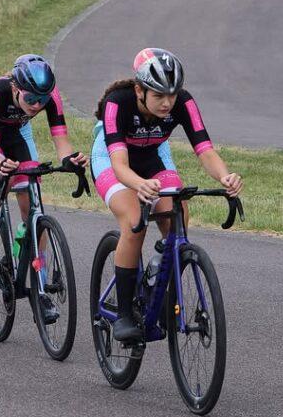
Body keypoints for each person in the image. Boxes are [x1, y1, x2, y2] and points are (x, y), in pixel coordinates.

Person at [91, 48, 242, 342]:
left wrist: (225, 176)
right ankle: (124, 314)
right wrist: (138, 184)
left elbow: (205, 150)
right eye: (159, 95)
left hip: (152, 157)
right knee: (134, 222)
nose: (167, 103)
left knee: (178, 215)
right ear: (139, 90)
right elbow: (119, 165)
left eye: (172, 95)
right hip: (112, 160)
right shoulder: (117, 103)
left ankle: (156, 277)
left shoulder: (183, 102)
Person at [0, 55, 89, 323]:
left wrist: (70, 160)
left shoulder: (49, 95)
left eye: (42, 100)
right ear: (15, 88)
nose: (37, 105)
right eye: (31, 99)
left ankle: (39, 287)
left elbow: (61, 141)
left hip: (15, 133)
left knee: (32, 201)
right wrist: (1, 165)